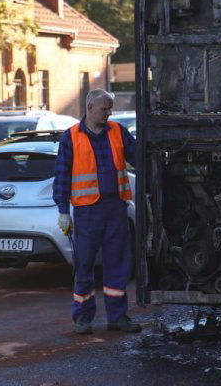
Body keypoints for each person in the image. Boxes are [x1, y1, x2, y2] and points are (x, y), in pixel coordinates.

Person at [54, 89, 140, 335]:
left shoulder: (118, 132)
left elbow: (138, 158)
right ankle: (82, 317)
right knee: (84, 265)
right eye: (105, 109)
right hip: (87, 211)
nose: (109, 113)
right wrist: (63, 211)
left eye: (110, 108)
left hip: (115, 208)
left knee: (117, 263)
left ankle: (117, 316)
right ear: (90, 107)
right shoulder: (71, 137)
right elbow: (62, 176)